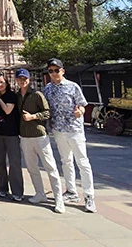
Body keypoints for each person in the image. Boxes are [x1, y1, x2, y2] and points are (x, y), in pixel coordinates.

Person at [44, 58, 96, 213]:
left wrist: (79, 111)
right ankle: (71, 191)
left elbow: (82, 105)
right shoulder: (47, 89)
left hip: (75, 130)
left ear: (62, 71)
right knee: (66, 162)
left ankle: (89, 196)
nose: (54, 73)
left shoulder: (73, 87)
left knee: (82, 162)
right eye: (51, 71)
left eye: (56, 70)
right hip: (59, 130)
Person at [16, 68, 64, 213]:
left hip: (39, 135)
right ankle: (40, 193)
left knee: (50, 167)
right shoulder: (17, 96)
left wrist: (33, 116)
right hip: (24, 136)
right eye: (19, 79)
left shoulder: (37, 95)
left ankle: (58, 199)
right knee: (32, 168)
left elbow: (47, 112)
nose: (22, 81)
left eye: (24, 79)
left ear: (28, 80)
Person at [0, 71, 23, 200]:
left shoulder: (11, 96)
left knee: (14, 163)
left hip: (12, 134)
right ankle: (2, 188)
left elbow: (8, 110)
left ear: (6, 83)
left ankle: (17, 191)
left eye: (2, 82)